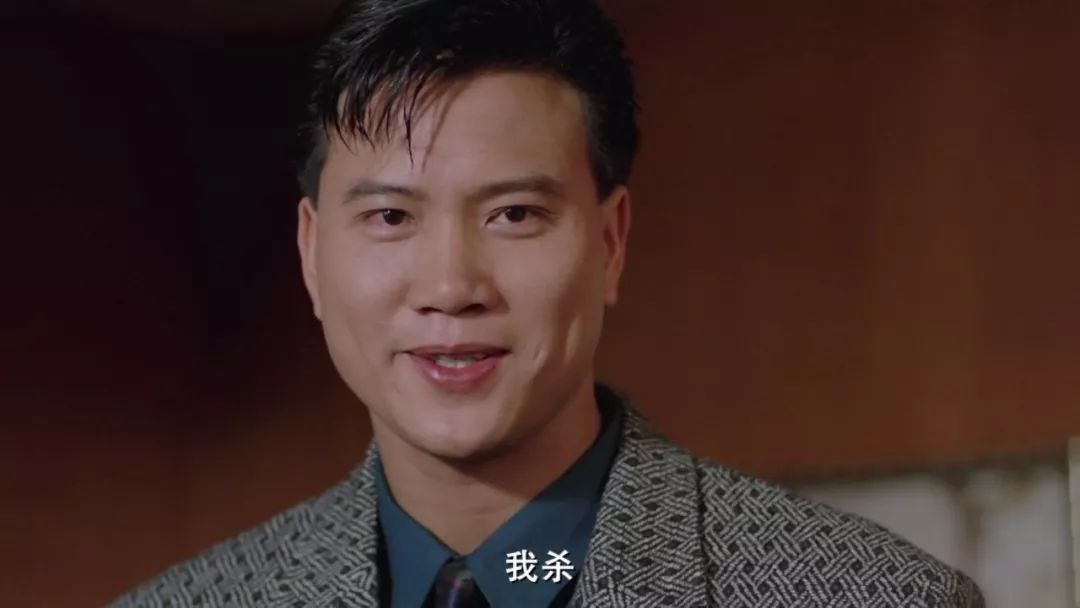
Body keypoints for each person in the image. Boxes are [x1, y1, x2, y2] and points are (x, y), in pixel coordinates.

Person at [111, 0, 984, 606]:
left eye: (515, 214)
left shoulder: (876, 597)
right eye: (390, 217)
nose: (451, 287)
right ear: (311, 253)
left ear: (610, 242)